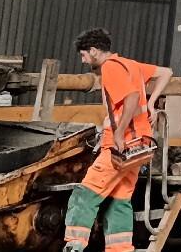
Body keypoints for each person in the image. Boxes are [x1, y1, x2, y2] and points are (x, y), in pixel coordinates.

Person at [63, 29, 172, 252]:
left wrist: (119, 134)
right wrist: (151, 102)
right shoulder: (130, 64)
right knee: (118, 201)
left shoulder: (110, 67)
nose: (84, 61)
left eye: (83, 55)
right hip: (140, 146)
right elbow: (167, 72)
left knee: (85, 194)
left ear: (93, 51)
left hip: (122, 146)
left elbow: (131, 98)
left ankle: (74, 247)